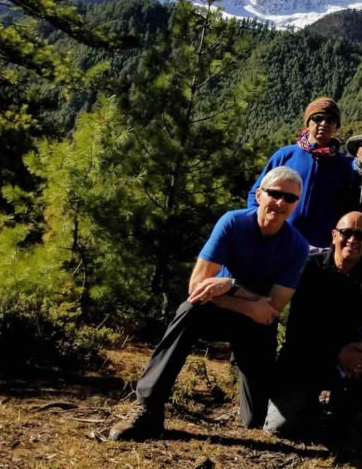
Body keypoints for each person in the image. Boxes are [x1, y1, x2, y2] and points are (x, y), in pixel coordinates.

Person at [109, 166, 310, 441]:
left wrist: (230, 285)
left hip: (255, 325)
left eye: (289, 198)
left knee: (255, 420)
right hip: (222, 310)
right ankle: (147, 408)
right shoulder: (233, 222)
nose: (280, 203)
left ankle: (263, 411)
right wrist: (247, 301)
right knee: (189, 311)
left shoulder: (297, 246)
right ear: (260, 194)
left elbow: (273, 308)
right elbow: (196, 287)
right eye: (275, 194)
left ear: (296, 204)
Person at [263, 211, 362, 439]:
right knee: (282, 427)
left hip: (351, 358)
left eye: (361, 235)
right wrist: (336, 353)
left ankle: (357, 407)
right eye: (346, 233)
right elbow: (300, 328)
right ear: (334, 235)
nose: (353, 240)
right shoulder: (310, 268)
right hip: (306, 355)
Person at [248, 97, 352, 248]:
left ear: (336, 127)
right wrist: (258, 224)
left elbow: (347, 206)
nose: (324, 123)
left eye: (330, 120)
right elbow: (255, 194)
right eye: (317, 118)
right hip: (277, 241)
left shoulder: (343, 165)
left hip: (320, 248)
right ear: (308, 123)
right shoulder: (285, 155)